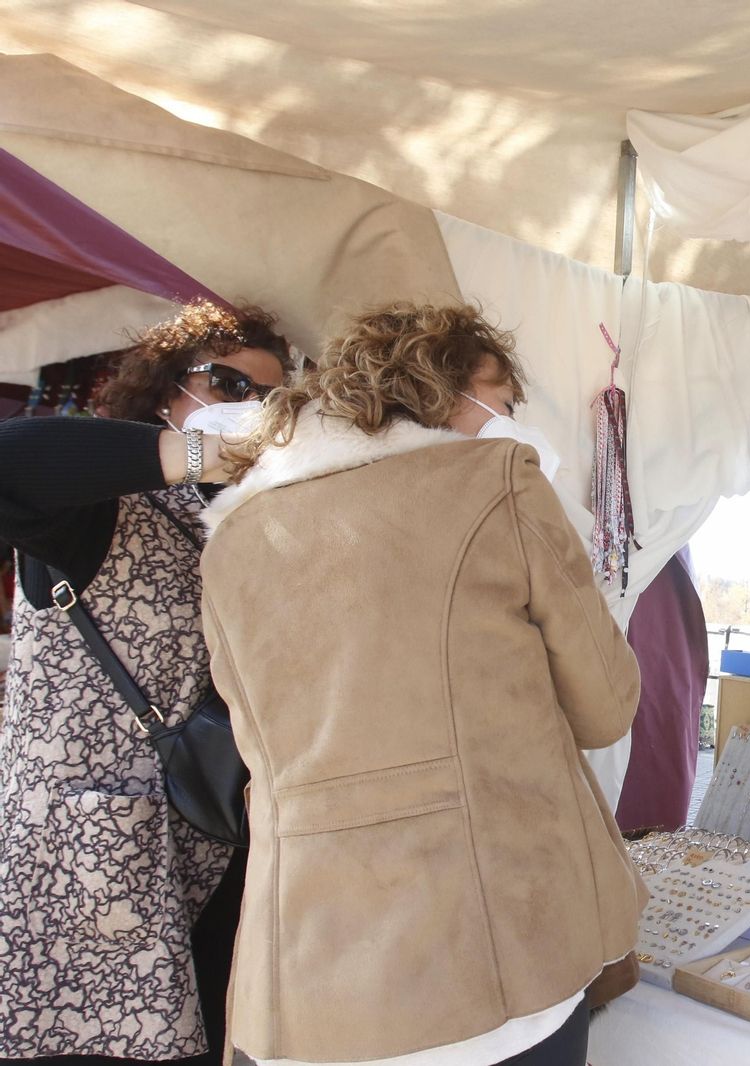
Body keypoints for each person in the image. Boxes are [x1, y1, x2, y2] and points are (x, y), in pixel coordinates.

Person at [198, 302, 644, 1066]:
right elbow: (606, 706)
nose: (508, 421)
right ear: (451, 388)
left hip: (308, 974)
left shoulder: (232, 540)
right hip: (497, 952)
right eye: (503, 401)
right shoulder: (495, 483)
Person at [0, 300, 291, 1065]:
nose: (252, 409)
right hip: (88, 870)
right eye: (228, 383)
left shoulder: (251, 525)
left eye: (271, 398)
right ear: (165, 390)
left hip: (219, 849)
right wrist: (200, 453)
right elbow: (10, 457)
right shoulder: (96, 507)